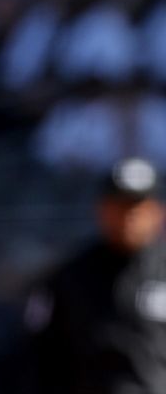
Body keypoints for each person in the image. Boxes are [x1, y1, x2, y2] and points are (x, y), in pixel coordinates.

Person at [23, 157, 166, 394]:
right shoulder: (69, 277)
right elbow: (41, 356)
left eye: (136, 205)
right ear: (102, 209)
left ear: (156, 212)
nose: (128, 216)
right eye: (119, 205)